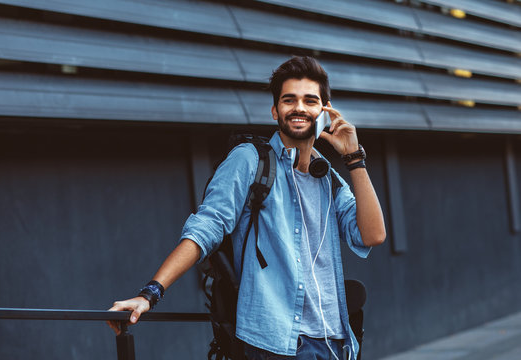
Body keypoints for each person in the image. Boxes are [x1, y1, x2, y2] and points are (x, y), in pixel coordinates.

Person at [108, 56, 386, 360]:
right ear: (275, 110)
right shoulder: (250, 160)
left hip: (335, 343)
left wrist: (354, 158)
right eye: (288, 99)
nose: (299, 108)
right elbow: (207, 227)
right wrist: (150, 294)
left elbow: (371, 235)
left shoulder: (328, 180)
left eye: (310, 100)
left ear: (325, 111)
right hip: (276, 343)